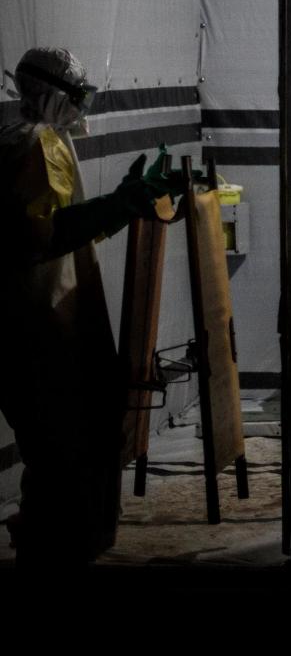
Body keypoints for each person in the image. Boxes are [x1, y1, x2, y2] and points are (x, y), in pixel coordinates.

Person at [0, 46, 180, 568]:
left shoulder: (38, 141)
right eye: (78, 96)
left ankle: (57, 544)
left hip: (44, 317)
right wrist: (122, 202)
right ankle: (55, 554)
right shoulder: (34, 145)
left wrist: (121, 203)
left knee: (59, 447)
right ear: (55, 94)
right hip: (40, 322)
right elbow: (44, 235)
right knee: (62, 450)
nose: (84, 108)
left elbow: (71, 225)